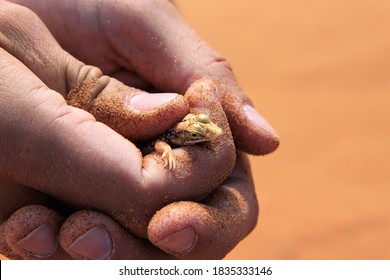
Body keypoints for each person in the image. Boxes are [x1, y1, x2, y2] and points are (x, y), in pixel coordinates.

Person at [0, 0, 279, 259]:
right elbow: (161, 144)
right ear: (188, 134)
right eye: (198, 134)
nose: (206, 135)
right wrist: (167, 153)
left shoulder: (182, 129)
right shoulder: (172, 136)